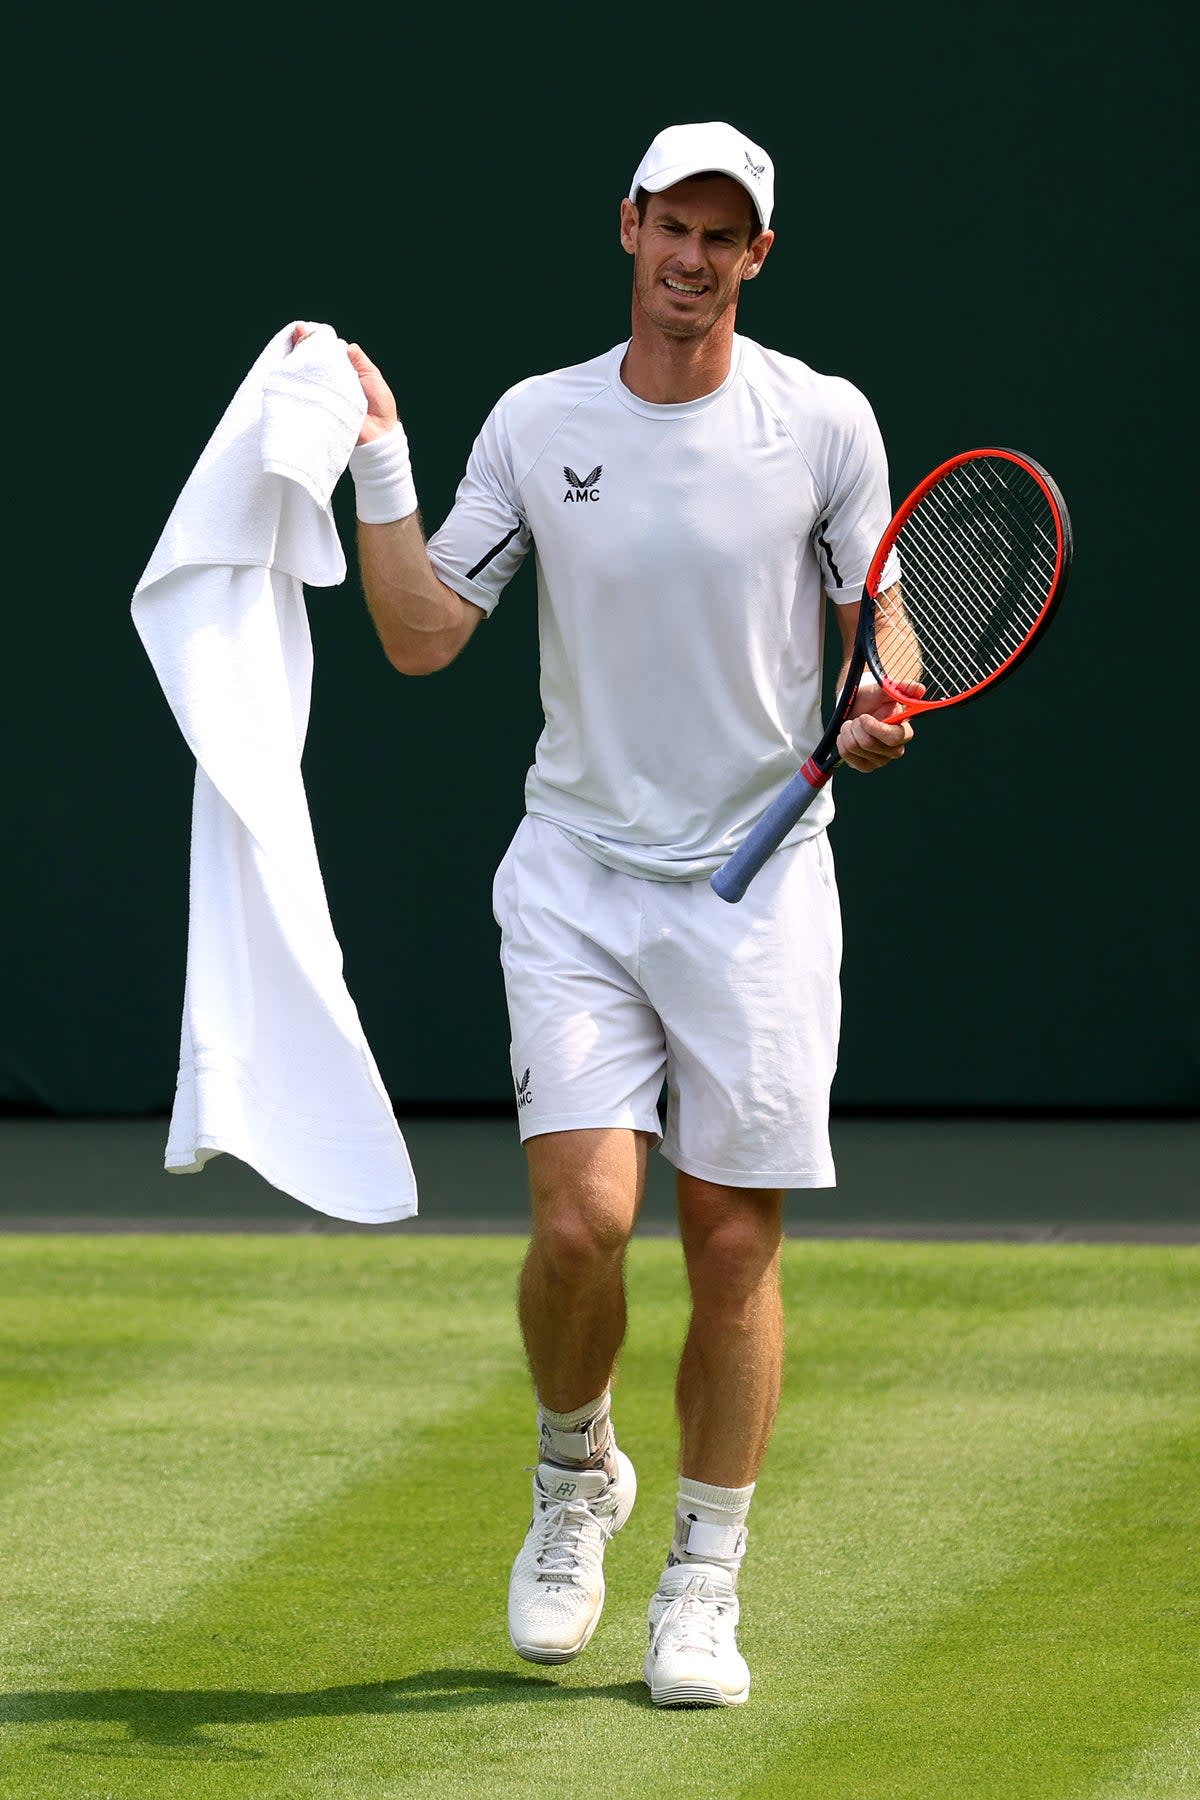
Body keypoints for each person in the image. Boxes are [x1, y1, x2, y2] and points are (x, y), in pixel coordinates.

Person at [316, 120, 915, 1708]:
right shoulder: (536, 422)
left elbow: (887, 631)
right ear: (630, 225)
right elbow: (424, 634)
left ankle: (703, 1580)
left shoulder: (824, 424)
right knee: (581, 1223)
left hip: (761, 887)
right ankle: (576, 1472)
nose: (694, 260)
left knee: (729, 1242)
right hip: (578, 875)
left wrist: (878, 707)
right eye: (675, 226)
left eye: (728, 238)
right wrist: (381, 458)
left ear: (758, 257)